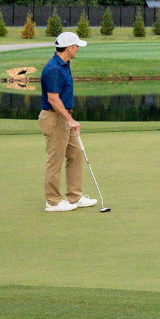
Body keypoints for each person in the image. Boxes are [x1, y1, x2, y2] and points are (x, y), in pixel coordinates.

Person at [38, 31, 97, 211]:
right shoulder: (54, 69)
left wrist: (69, 119)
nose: (78, 49)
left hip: (63, 117)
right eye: (76, 46)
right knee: (55, 160)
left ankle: (74, 197)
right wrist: (70, 120)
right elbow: (53, 99)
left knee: (76, 154)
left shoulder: (64, 64)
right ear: (69, 47)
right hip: (54, 118)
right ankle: (53, 201)